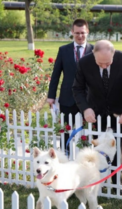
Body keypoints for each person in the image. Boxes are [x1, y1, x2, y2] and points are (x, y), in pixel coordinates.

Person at [72, 40, 122, 193]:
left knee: (117, 145)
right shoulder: (84, 63)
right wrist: (86, 109)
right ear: (93, 55)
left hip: (119, 111)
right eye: (100, 63)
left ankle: (117, 184)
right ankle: (97, 182)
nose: (104, 66)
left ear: (113, 54)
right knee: (97, 147)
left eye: (107, 63)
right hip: (95, 111)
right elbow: (77, 88)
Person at [47, 19, 93, 153]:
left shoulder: (94, 50)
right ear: (72, 32)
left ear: (87, 32)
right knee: (65, 130)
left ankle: (84, 157)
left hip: (87, 98)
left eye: (83, 33)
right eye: (77, 33)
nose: (80, 36)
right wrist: (51, 96)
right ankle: (65, 156)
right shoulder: (64, 50)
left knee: (86, 131)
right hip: (67, 98)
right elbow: (56, 74)